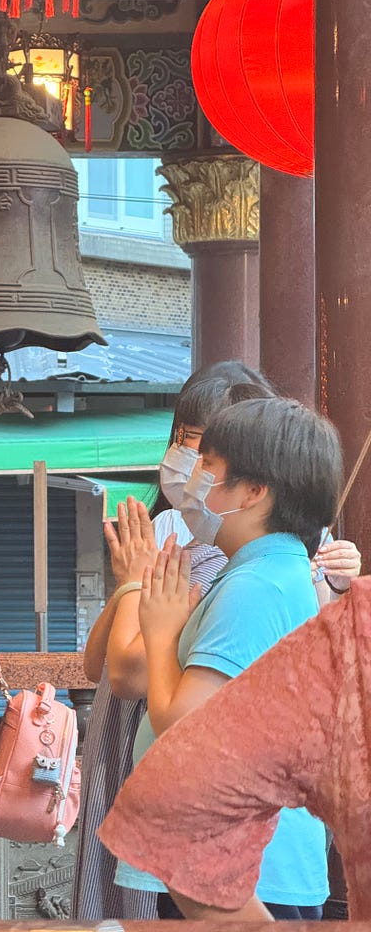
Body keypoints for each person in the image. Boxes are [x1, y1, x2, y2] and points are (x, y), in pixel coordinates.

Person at [98, 396, 344, 918]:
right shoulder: (266, 570)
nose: (194, 477)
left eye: (209, 464)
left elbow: (184, 725)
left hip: (244, 874)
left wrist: (161, 633)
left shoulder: (254, 585)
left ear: (254, 492)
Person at [72, 362, 277, 921]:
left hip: (177, 761)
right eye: (184, 443)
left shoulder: (252, 564)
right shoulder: (165, 533)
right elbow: (95, 662)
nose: (189, 465)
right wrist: (130, 584)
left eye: (206, 452)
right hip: (124, 740)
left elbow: (128, 670)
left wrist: (139, 583)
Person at [97, 573, 371, 921]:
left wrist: (144, 603)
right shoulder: (292, 588)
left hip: (271, 863)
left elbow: (176, 741)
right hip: (272, 862)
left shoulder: (259, 587)